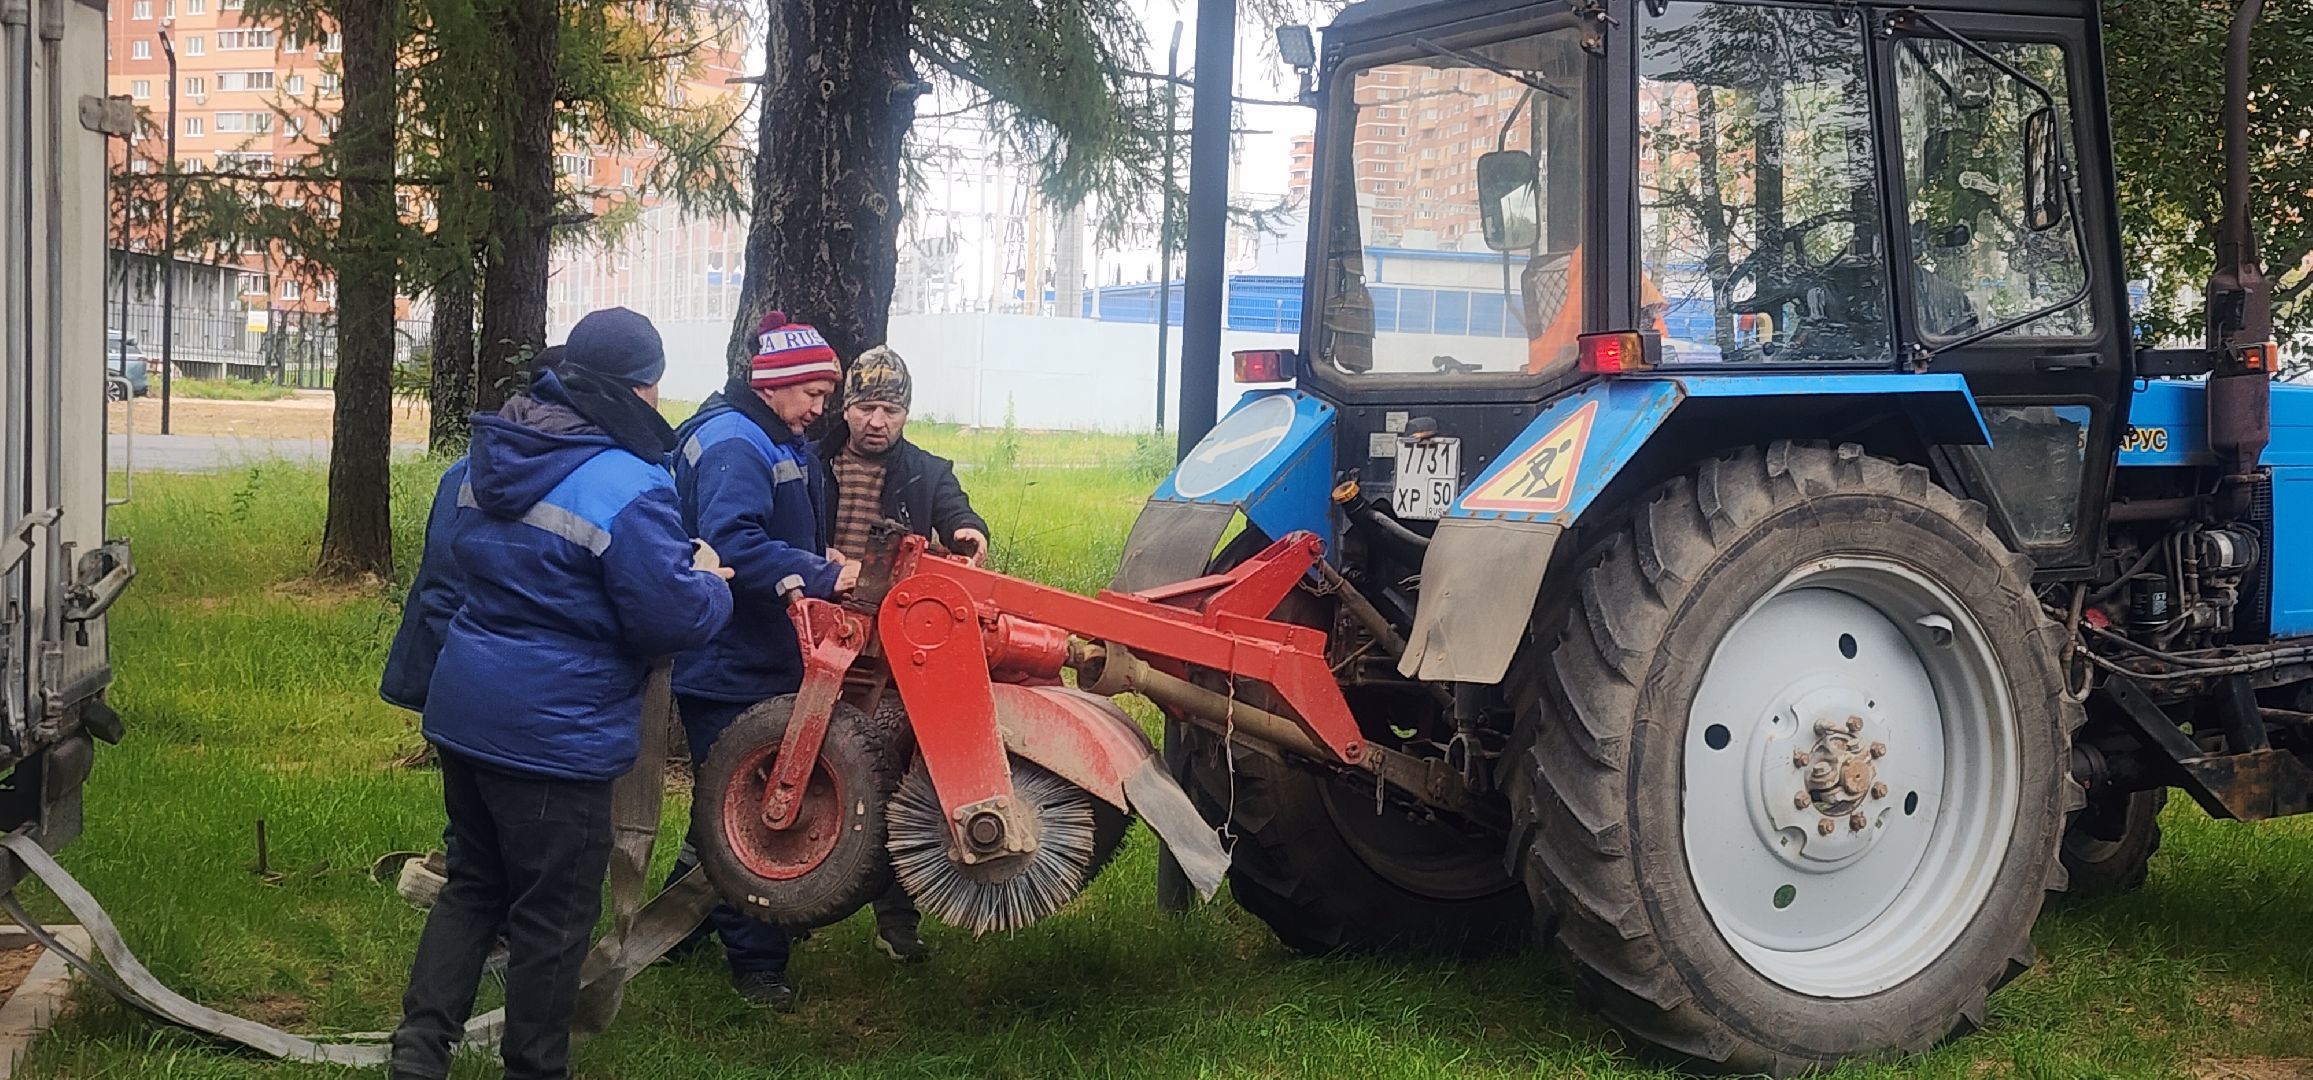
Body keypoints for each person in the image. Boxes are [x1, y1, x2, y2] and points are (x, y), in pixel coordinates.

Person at [388, 310, 733, 1080]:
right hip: (553, 736)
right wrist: (710, 583)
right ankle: (536, 1068)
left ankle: (417, 1057)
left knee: (474, 887)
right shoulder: (628, 481)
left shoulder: (492, 455)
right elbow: (666, 619)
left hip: (465, 710)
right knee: (554, 919)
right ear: (642, 387)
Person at [666, 309, 859, 1011]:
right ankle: (757, 966)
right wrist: (822, 572)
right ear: (772, 384)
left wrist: (813, 555)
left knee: (721, 801)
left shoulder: (769, 436)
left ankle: (671, 931)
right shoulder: (734, 444)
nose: (819, 409)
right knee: (751, 813)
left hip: (750, 657)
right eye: (812, 393)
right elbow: (732, 545)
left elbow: (770, 530)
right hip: (729, 662)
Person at [814, 345, 987, 964]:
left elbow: (959, 514)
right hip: (816, 636)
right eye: (866, 408)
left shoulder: (927, 471)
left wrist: (969, 533)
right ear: (846, 409)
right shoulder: (810, 464)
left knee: (895, 773)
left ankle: (896, 919)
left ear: (906, 414)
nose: (877, 421)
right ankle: (784, 904)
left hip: (894, 652)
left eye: (890, 410)